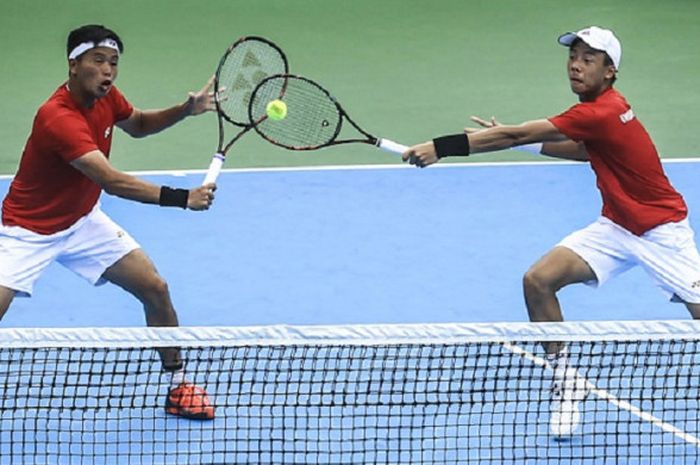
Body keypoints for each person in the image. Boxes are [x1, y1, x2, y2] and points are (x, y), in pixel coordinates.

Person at [402, 26, 700, 436]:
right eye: (573, 56)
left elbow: (518, 133)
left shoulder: (600, 112)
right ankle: (566, 382)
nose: (576, 65)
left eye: (588, 59)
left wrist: (442, 146)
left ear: (610, 71)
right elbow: (582, 150)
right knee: (538, 281)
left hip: (663, 234)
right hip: (616, 226)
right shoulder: (602, 112)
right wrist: (516, 140)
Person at [0, 24, 219, 420]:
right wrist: (183, 199)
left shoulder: (107, 97)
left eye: (114, 63)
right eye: (98, 61)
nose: (108, 71)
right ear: (73, 64)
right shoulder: (57, 117)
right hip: (28, 231)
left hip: (82, 221)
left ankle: (178, 386)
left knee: (155, 287)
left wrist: (185, 110)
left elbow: (136, 123)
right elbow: (111, 181)